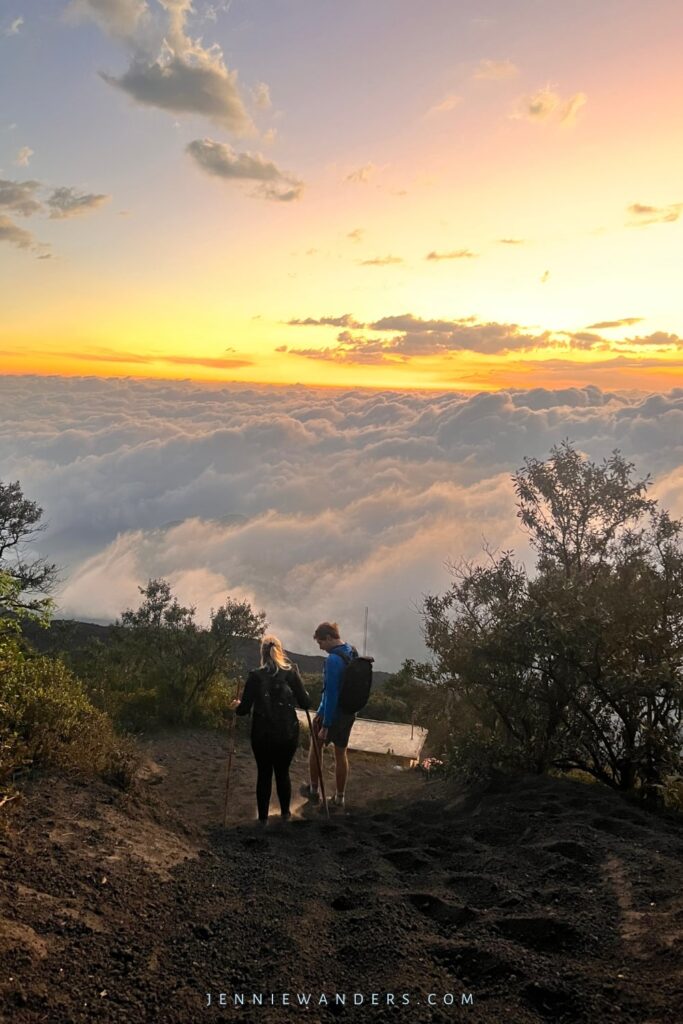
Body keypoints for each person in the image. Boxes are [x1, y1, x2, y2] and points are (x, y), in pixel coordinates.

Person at [230, 635, 310, 825]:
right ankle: (285, 815)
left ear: (262, 654)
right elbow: (306, 703)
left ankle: (263, 819)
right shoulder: (291, 673)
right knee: (283, 772)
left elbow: (243, 711)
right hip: (287, 734)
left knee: (264, 774)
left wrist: (236, 705)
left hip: (262, 735)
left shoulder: (255, 676)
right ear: (280, 652)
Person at [302, 621, 357, 809]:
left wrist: (325, 724)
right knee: (341, 753)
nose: (321, 648)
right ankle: (340, 797)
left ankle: (313, 790)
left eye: (320, 643)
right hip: (349, 713)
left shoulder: (333, 660)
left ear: (328, 637)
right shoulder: (351, 650)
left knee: (315, 749)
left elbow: (331, 693)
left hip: (331, 713)